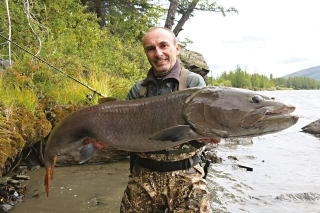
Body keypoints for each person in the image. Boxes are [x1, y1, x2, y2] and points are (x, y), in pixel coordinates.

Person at [120, 26, 219, 213]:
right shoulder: (137, 90)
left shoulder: (193, 83)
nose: (158, 54)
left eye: (163, 46)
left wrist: (207, 135)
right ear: (146, 54)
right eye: (150, 49)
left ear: (176, 48)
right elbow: (125, 136)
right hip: (143, 174)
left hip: (186, 174)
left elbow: (205, 129)